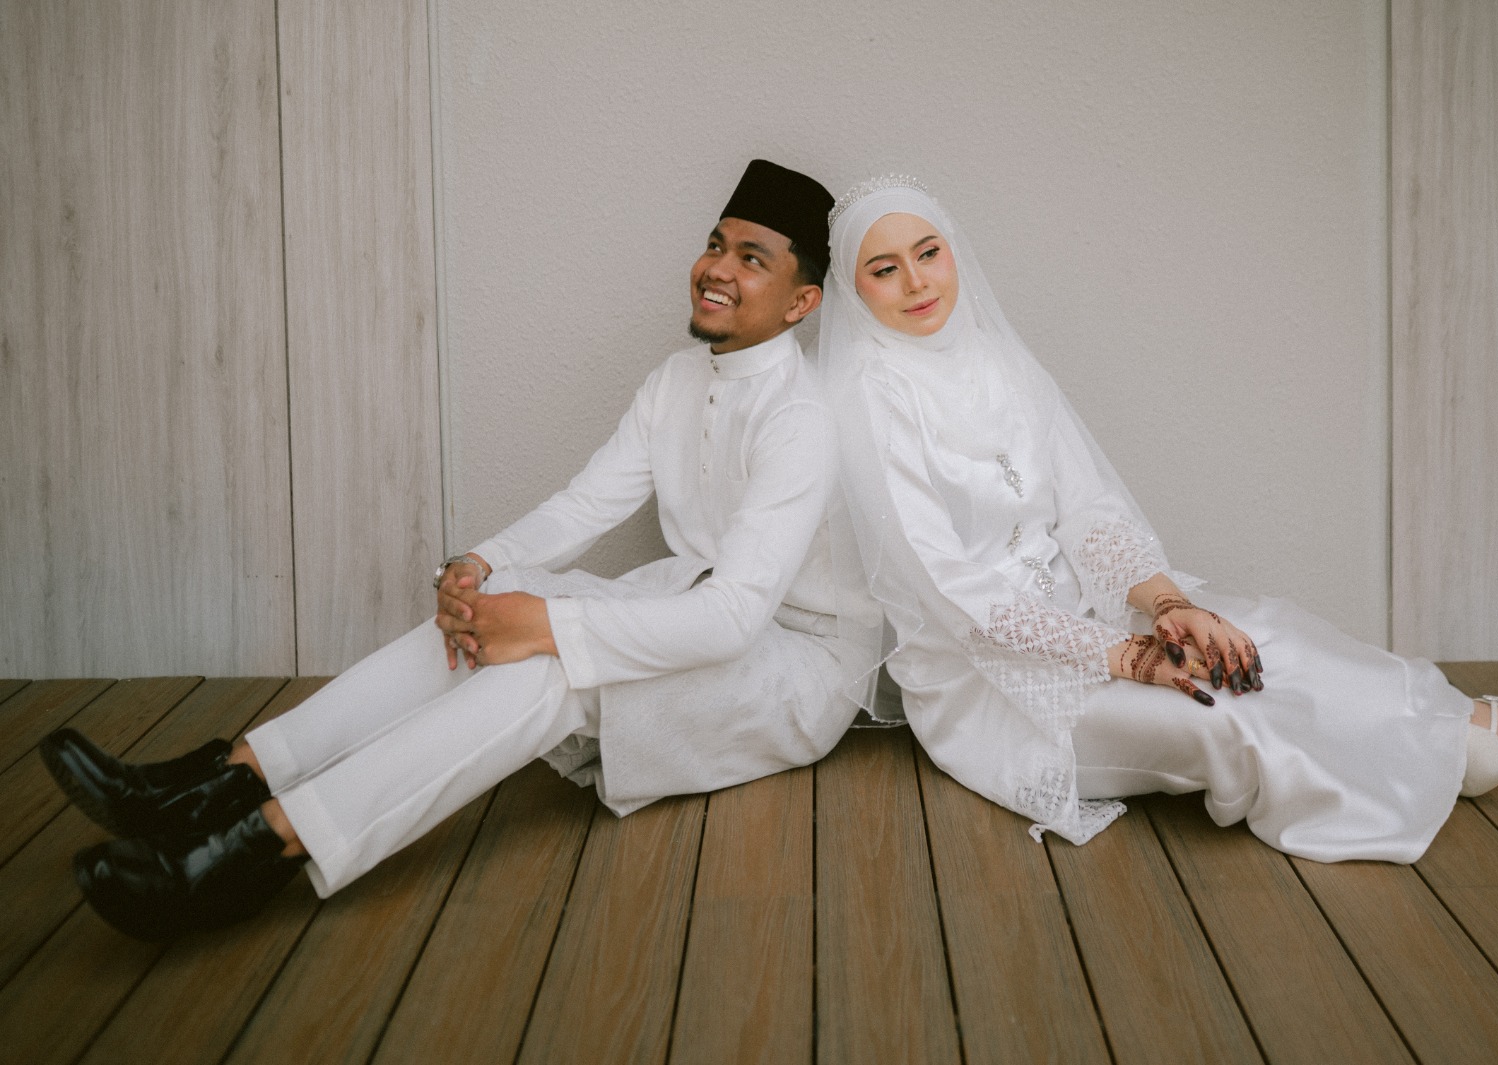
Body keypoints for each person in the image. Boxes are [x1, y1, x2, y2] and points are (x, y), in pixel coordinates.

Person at [42, 159, 879, 939]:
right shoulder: (676, 380)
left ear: (801, 302)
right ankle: (231, 778)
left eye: (752, 259)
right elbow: (587, 502)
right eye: (715, 244)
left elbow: (734, 619)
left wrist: (549, 626)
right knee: (499, 597)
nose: (717, 269)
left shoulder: (799, 420)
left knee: (556, 664)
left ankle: (263, 847)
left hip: (789, 667)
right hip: (684, 601)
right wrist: (478, 564)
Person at [817, 176, 1498, 859]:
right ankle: (1416, 763)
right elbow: (950, 589)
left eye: (928, 252)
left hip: (1084, 608)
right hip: (990, 681)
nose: (916, 281)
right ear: (856, 289)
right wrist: (1127, 655)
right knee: (1218, 716)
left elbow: (1087, 508)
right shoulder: (869, 399)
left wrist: (1165, 605)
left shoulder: (997, 361)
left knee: (1262, 633)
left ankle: (1446, 720)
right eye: (884, 269)